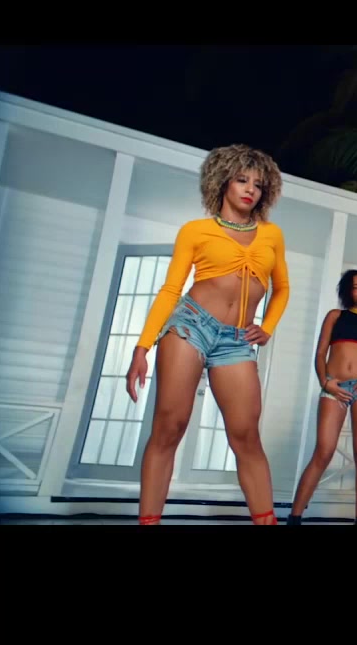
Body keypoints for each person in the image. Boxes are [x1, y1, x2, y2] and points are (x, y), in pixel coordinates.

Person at [124, 144, 290, 525]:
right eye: (242, 180)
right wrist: (142, 347)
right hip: (191, 325)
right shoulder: (196, 231)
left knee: (246, 436)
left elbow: (282, 289)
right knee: (170, 427)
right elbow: (171, 289)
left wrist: (267, 327)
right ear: (223, 182)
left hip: (236, 340)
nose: (250, 190)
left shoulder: (271, 235)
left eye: (258, 185)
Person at [287, 268, 357, 525]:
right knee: (323, 451)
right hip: (334, 387)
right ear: (348, 292)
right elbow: (320, 353)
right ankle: (295, 516)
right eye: (355, 287)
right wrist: (325, 382)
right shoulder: (335, 316)